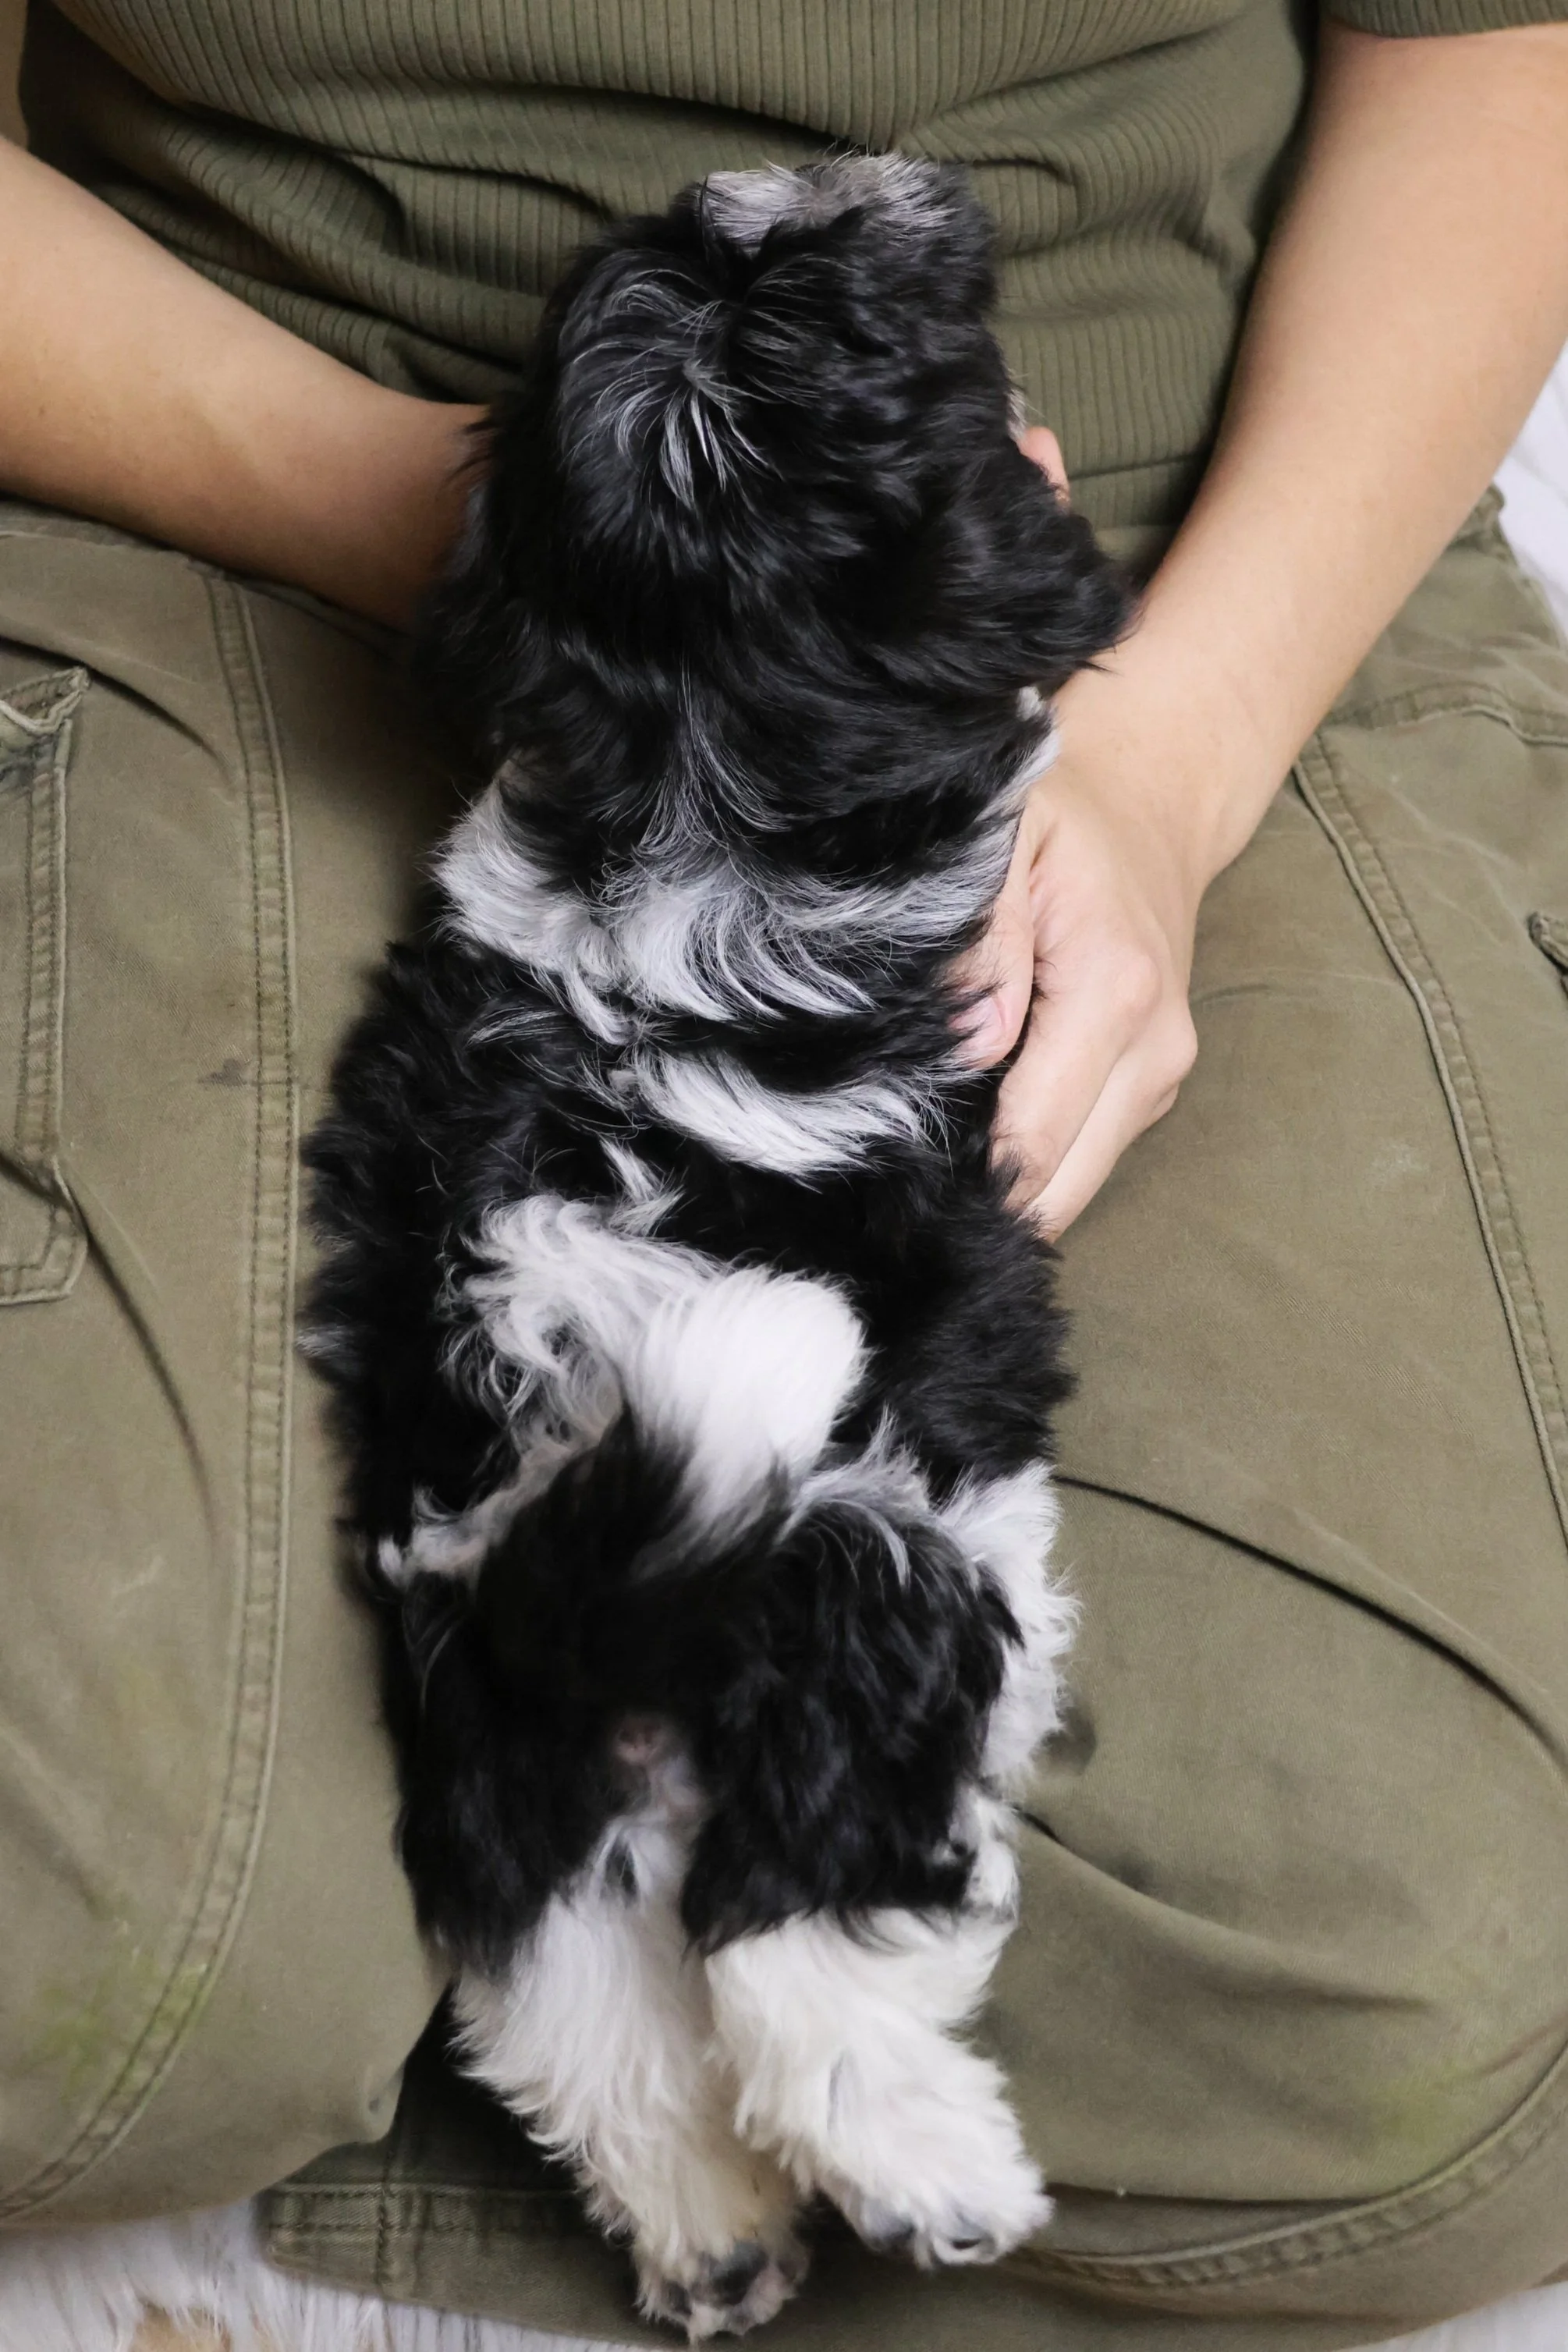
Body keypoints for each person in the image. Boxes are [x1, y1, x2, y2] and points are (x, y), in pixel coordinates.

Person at [2, 2, 1566, 2345]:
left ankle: (511, 1901)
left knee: (1410, 2018)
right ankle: (490, 1938)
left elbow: (1499, 56)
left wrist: (1170, 755)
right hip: (239, 444)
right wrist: (497, 529)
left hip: (1160, 520)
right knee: (83, 1939)